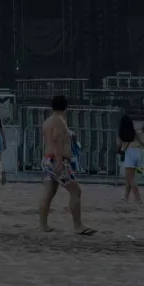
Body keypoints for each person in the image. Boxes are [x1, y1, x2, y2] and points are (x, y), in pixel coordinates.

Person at [38, 95, 95, 235]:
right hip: (57, 161)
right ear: (66, 107)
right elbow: (57, 139)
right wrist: (59, 161)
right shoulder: (60, 120)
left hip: (47, 159)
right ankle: (78, 226)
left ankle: (43, 225)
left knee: (49, 193)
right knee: (76, 191)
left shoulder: (47, 121)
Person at [117, 114, 143, 204]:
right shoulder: (134, 132)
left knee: (131, 178)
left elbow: (118, 147)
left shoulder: (121, 133)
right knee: (129, 178)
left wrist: (119, 151)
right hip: (137, 152)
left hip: (129, 154)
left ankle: (138, 198)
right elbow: (142, 142)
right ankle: (126, 197)